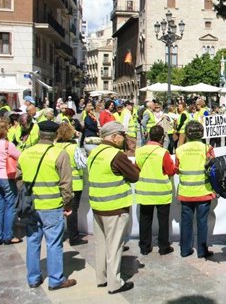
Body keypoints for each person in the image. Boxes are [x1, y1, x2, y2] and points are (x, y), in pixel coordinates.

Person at [18, 120, 77, 290]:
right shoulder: (59, 154)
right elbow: (66, 184)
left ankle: (33, 278)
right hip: (51, 204)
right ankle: (56, 279)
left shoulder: (26, 153)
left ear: (39, 134)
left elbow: (19, 178)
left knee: (33, 241)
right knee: (54, 243)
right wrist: (68, 204)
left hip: (31, 204)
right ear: (55, 136)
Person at [87, 121, 140, 294]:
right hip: (115, 207)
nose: (123, 139)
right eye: (121, 135)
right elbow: (134, 176)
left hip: (97, 205)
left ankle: (101, 278)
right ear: (114, 136)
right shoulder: (116, 155)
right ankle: (114, 283)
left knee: (101, 244)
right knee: (115, 246)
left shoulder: (94, 153)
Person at [175, 120, 215, 258]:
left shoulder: (179, 150)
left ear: (187, 134)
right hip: (203, 191)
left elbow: (176, 169)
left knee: (186, 222)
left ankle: (185, 250)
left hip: (186, 192)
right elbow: (213, 169)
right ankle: (202, 251)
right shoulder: (207, 148)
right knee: (202, 222)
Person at [135, 125, 175, 255]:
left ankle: (144, 247)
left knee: (145, 219)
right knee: (163, 220)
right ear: (162, 137)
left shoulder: (140, 151)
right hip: (161, 192)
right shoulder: (163, 152)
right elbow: (170, 171)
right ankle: (164, 247)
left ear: (149, 136)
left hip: (145, 191)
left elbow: (137, 167)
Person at [54, 122, 87, 245]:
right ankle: (74, 237)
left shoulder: (55, 147)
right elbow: (82, 163)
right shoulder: (73, 148)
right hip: (74, 182)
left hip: (58, 182)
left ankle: (59, 234)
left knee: (59, 209)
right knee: (72, 210)